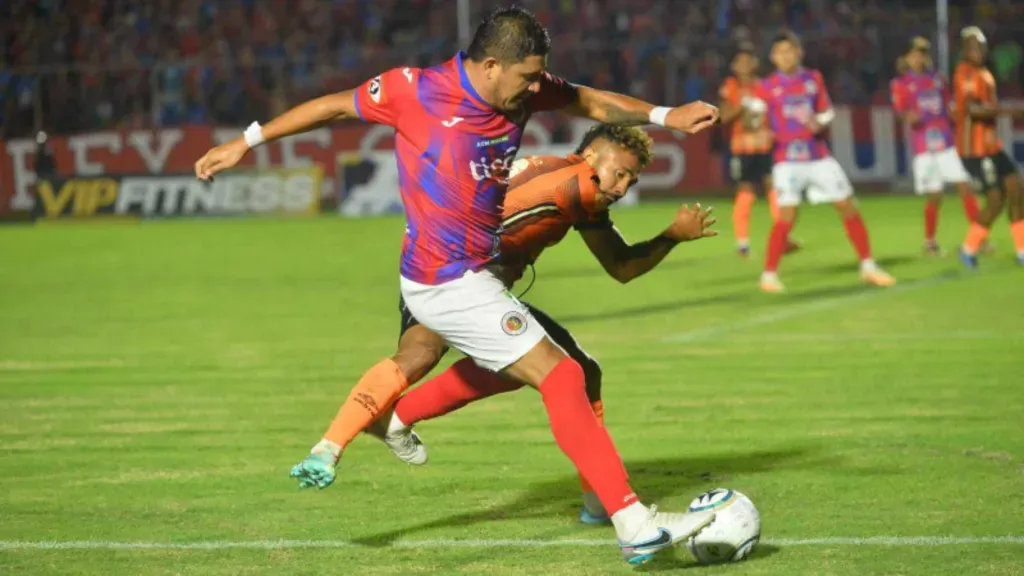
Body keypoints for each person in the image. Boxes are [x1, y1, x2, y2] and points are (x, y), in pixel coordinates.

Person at [193, 6, 721, 565]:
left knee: (563, 371)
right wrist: (245, 143)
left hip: (469, 278)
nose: (537, 88)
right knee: (561, 375)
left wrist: (666, 114)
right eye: (527, 76)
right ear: (491, 65)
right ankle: (632, 522)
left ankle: (405, 424)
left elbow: (588, 100)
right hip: (448, 279)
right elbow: (331, 107)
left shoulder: (526, 90)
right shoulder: (412, 90)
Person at [336, 123, 716, 527]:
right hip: (449, 279)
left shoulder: (576, 190)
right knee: (433, 357)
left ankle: (601, 503)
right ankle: (623, 514)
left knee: (574, 371)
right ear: (592, 158)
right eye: (619, 173)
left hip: (476, 288)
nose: (623, 188)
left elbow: (620, 265)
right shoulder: (567, 184)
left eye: (631, 179)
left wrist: (672, 235)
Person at [741, 30, 896, 293]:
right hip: (787, 160)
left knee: (848, 206)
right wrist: (756, 125)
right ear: (773, 57)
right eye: (780, 53)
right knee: (787, 216)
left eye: (790, 51)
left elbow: (827, 111)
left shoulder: (813, 79)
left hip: (817, 156)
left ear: (798, 53)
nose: (786, 56)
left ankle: (868, 266)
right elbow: (750, 120)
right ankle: (769, 275)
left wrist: (819, 121)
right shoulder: (766, 87)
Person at [890, 37, 979, 255]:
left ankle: (979, 238)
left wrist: (957, 112)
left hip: (947, 143)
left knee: (964, 186)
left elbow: (949, 106)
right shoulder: (900, 84)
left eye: (921, 53)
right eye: (914, 54)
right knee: (935, 196)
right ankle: (930, 242)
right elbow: (901, 112)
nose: (918, 58)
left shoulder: (938, 79)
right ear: (906, 58)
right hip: (924, 147)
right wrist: (908, 116)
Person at [718, 42, 798, 257]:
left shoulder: (765, 86)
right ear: (734, 66)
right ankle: (742, 244)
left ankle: (783, 237)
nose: (744, 65)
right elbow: (722, 116)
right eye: (740, 62)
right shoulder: (731, 86)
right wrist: (742, 106)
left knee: (775, 187)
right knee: (746, 190)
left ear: (754, 64)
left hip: (765, 144)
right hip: (742, 147)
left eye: (747, 61)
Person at [953, 27, 1024, 268]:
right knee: (996, 200)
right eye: (973, 46)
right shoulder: (966, 73)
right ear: (964, 49)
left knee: (1017, 189)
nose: (978, 50)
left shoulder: (983, 72)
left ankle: (1022, 250)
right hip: (974, 149)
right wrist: (1012, 110)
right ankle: (968, 249)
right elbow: (973, 110)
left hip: (991, 145)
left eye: (981, 45)